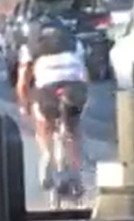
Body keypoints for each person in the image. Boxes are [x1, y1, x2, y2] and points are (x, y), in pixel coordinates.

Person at [15, 15, 88, 191]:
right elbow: (84, 75)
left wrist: (24, 105)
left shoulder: (30, 47)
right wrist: (85, 98)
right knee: (73, 129)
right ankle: (75, 173)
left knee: (43, 122)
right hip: (74, 86)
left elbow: (22, 83)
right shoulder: (74, 43)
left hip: (47, 89)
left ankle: (47, 152)